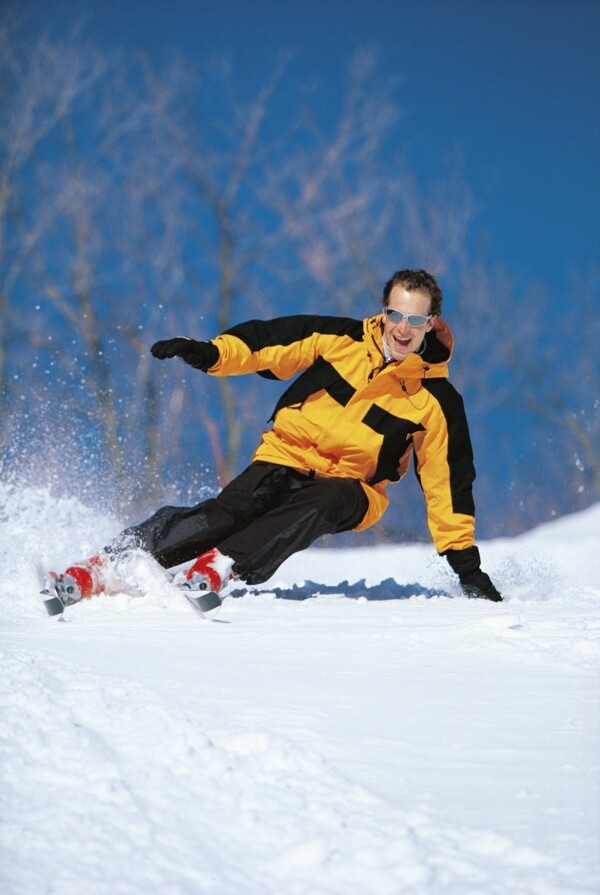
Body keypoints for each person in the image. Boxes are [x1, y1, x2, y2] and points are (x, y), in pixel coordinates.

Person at [45, 269, 502, 613]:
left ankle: (221, 565)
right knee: (227, 512)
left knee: (325, 499)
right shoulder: (338, 339)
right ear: (383, 312)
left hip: (352, 489)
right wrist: (210, 353)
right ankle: (106, 564)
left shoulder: (435, 400)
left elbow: (448, 484)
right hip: (285, 457)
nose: (403, 328)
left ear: (431, 323)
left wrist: (467, 567)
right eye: (395, 314)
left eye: (415, 319)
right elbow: (268, 344)